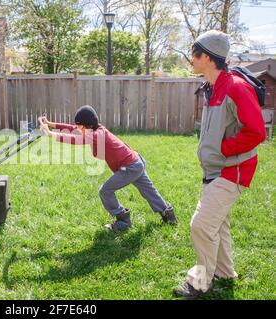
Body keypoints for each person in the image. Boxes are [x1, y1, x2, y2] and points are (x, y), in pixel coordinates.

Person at [173, 30, 267, 298]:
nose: (191, 59)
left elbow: (256, 132)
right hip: (214, 170)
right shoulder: (213, 87)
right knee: (218, 223)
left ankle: (200, 282)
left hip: (232, 170)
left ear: (208, 57)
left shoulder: (236, 87)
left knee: (201, 226)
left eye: (194, 54)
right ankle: (225, 272)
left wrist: (223, 149)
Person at [39, 105, 177, 232]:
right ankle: (168, 215)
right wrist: (51, 124)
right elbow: (72, 129)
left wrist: (51, 134)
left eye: (80, 126)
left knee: (105, 191)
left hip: (130, 167)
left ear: (88, 125)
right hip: (136, 162)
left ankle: (123, 219)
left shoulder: (97, 135)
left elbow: (77, 140)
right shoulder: (94, 130)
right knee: (149, 191)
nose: (78, 129)